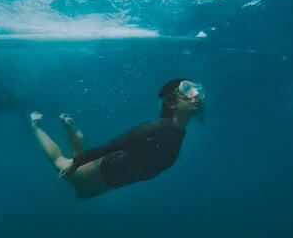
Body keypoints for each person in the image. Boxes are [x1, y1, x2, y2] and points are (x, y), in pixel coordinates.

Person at [30, 79, 205, 199]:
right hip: (106, 171)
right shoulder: (154, 128)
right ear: (172, 103)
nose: (195, 95)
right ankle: (35, 126)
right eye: (187, 90)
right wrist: (75, 163)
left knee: (82, 194)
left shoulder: (177, 133)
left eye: (197, 90)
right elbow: (112, 145)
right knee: (60, 164)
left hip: (114, 181)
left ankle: (77, 139)